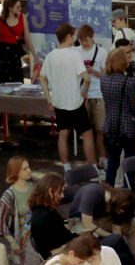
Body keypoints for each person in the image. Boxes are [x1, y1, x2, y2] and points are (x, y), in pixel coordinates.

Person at [39, 23, 97, 171]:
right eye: (73, 36)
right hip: (75, 102)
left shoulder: (50, 56)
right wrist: (84, 94)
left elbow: (42, 78)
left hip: (59, 102)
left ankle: (66, 167)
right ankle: (93, 167)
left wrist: (49, 99)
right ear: (69, 36)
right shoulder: (74, 54)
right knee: (87, 133)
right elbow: (87, 79)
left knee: (63, 133)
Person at [68, 181, 135, 265]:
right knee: (106, 238)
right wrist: (111, 236)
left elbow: (117, 227)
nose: (121, 212)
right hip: (81, 222)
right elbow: (87, 224)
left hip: (101, 220)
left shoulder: (116, 204)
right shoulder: (92, 193)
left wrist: (117, 234)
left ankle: (134, 260)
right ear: (119, 206)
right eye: (121, 210)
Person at [101, 48, 135, 189]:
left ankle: (108, 192)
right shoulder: (129, 82)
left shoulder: (103, 79)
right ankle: (128, 191)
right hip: (128, 128)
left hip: (110, 126)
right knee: (130, 162)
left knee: (112, 162)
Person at [76, 25, 109, 168]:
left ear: (92, 37)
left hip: (98, 94)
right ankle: (90, 161)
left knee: (100, 129)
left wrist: (93, 71)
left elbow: (106, 75)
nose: (84, 43)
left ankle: (102, 157)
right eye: (81, 40)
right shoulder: (75, 52)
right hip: (81, 95)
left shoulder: (101, 52)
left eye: (86, 40)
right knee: (85, 131)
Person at [0, 0, 35, 88]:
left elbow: (27, 39)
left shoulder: (22, 18)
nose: (20, 9)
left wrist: (35, 57)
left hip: (15, 56)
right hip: (1, 56)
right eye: (17, 7)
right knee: (1, 85)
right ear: (10, 8)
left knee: (17, 84)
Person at [28, 174, 78, 260]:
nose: (62, 196)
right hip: (61, 255)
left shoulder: (42, 209)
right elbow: (49, 252)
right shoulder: (45, 217)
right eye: (60, 192)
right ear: (50, 191)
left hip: (64, 246)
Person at [0, 156, 34, 259]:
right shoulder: (9, 196)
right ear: (16, 172)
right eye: (25, 169)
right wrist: (12, 242)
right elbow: (0, 222)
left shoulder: (33, 188)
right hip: (24, 238)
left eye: (29, 167)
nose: (29, 170)